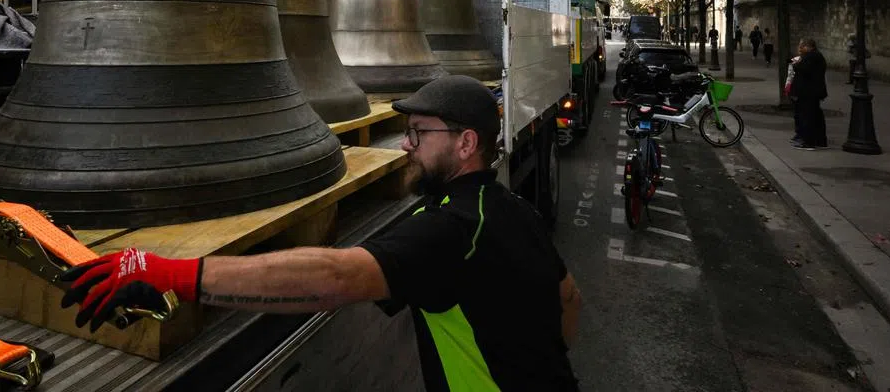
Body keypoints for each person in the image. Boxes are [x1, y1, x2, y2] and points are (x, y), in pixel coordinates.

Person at [59, 75, 583, 391]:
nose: (406, 146)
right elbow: (568, 298)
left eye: (420, 134)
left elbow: (334, 277)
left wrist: (168, 271)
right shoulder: (513, 210)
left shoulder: (449, 231)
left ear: (467, 142)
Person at [790, 39, 829, 150]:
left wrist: (796, 64)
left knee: (808, 116)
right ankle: (819, 141)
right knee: (815, 115)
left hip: (808, 92)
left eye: (802, 46)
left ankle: (809, 142)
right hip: (812, 91)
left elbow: (802, 69)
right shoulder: (815, 56)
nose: (801, 49)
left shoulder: (811, 57)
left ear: (809, 46)